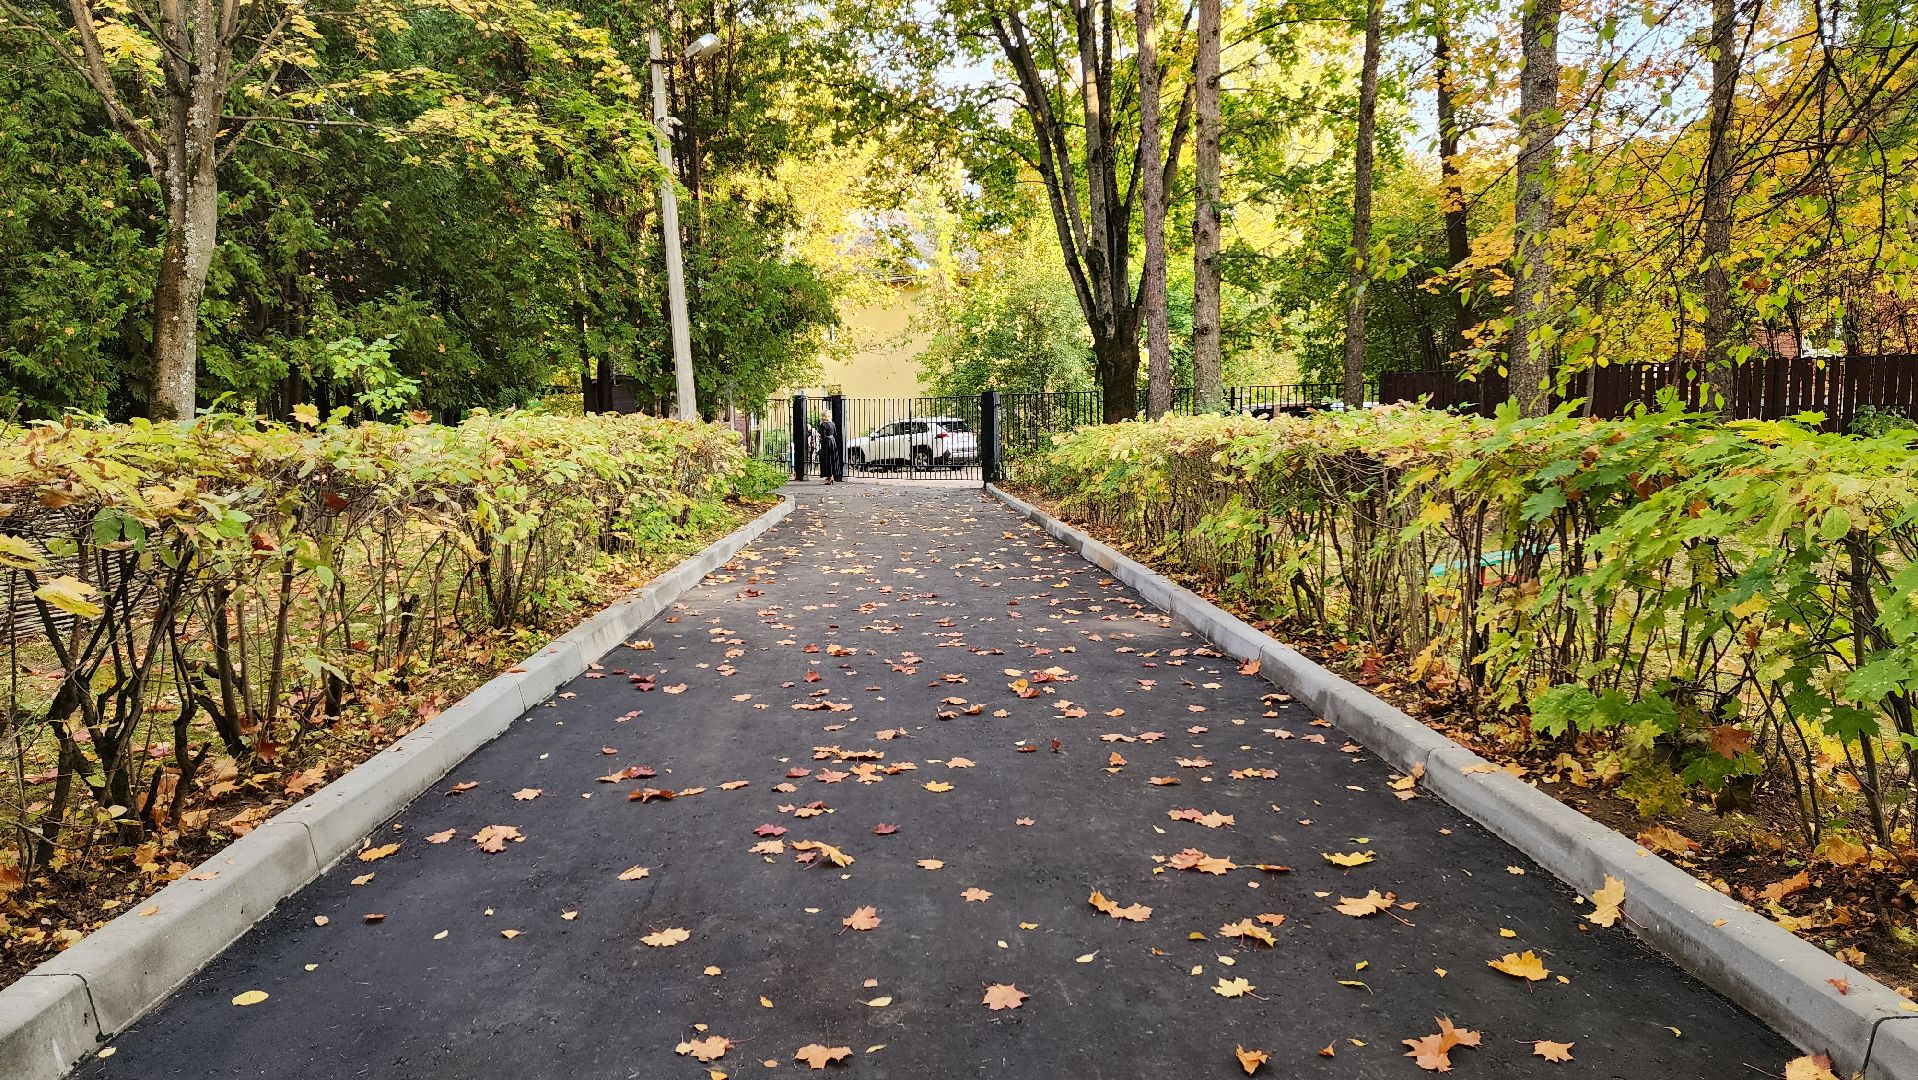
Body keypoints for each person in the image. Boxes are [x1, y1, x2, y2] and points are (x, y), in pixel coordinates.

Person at [816, 416, 841, 484]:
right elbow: (835, 433)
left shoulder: (823, 424)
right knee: (833, 458)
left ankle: (829, 477)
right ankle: (831, 476)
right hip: (832, 442)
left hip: (826, 443)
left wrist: (820, 439)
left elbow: (822, 435)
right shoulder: (833, 424)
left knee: (827, 459)